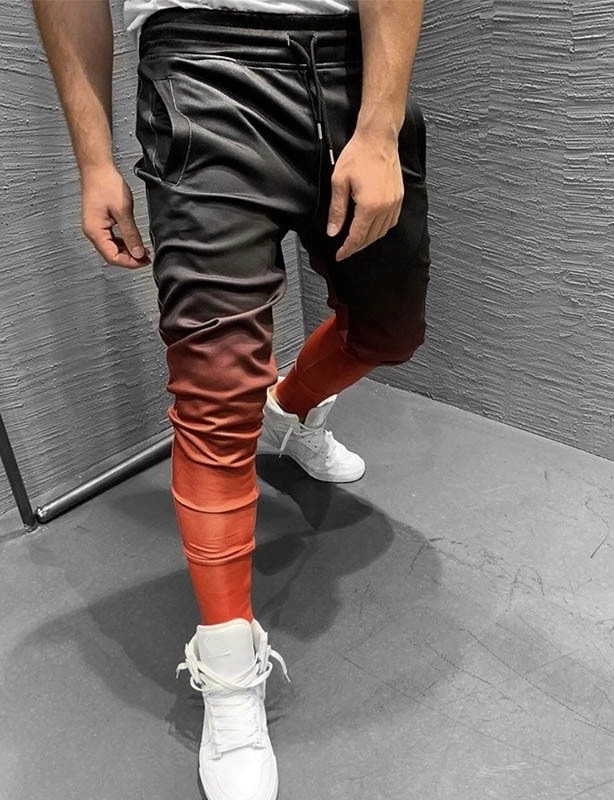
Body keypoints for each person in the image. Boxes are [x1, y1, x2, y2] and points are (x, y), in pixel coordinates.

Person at [31, 1, 429, 798]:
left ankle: (293, 408)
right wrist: (94, 160)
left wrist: (381, 123)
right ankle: (229, 672)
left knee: (390, 332)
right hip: (200, 75)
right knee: (214, 396)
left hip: (355, 62)